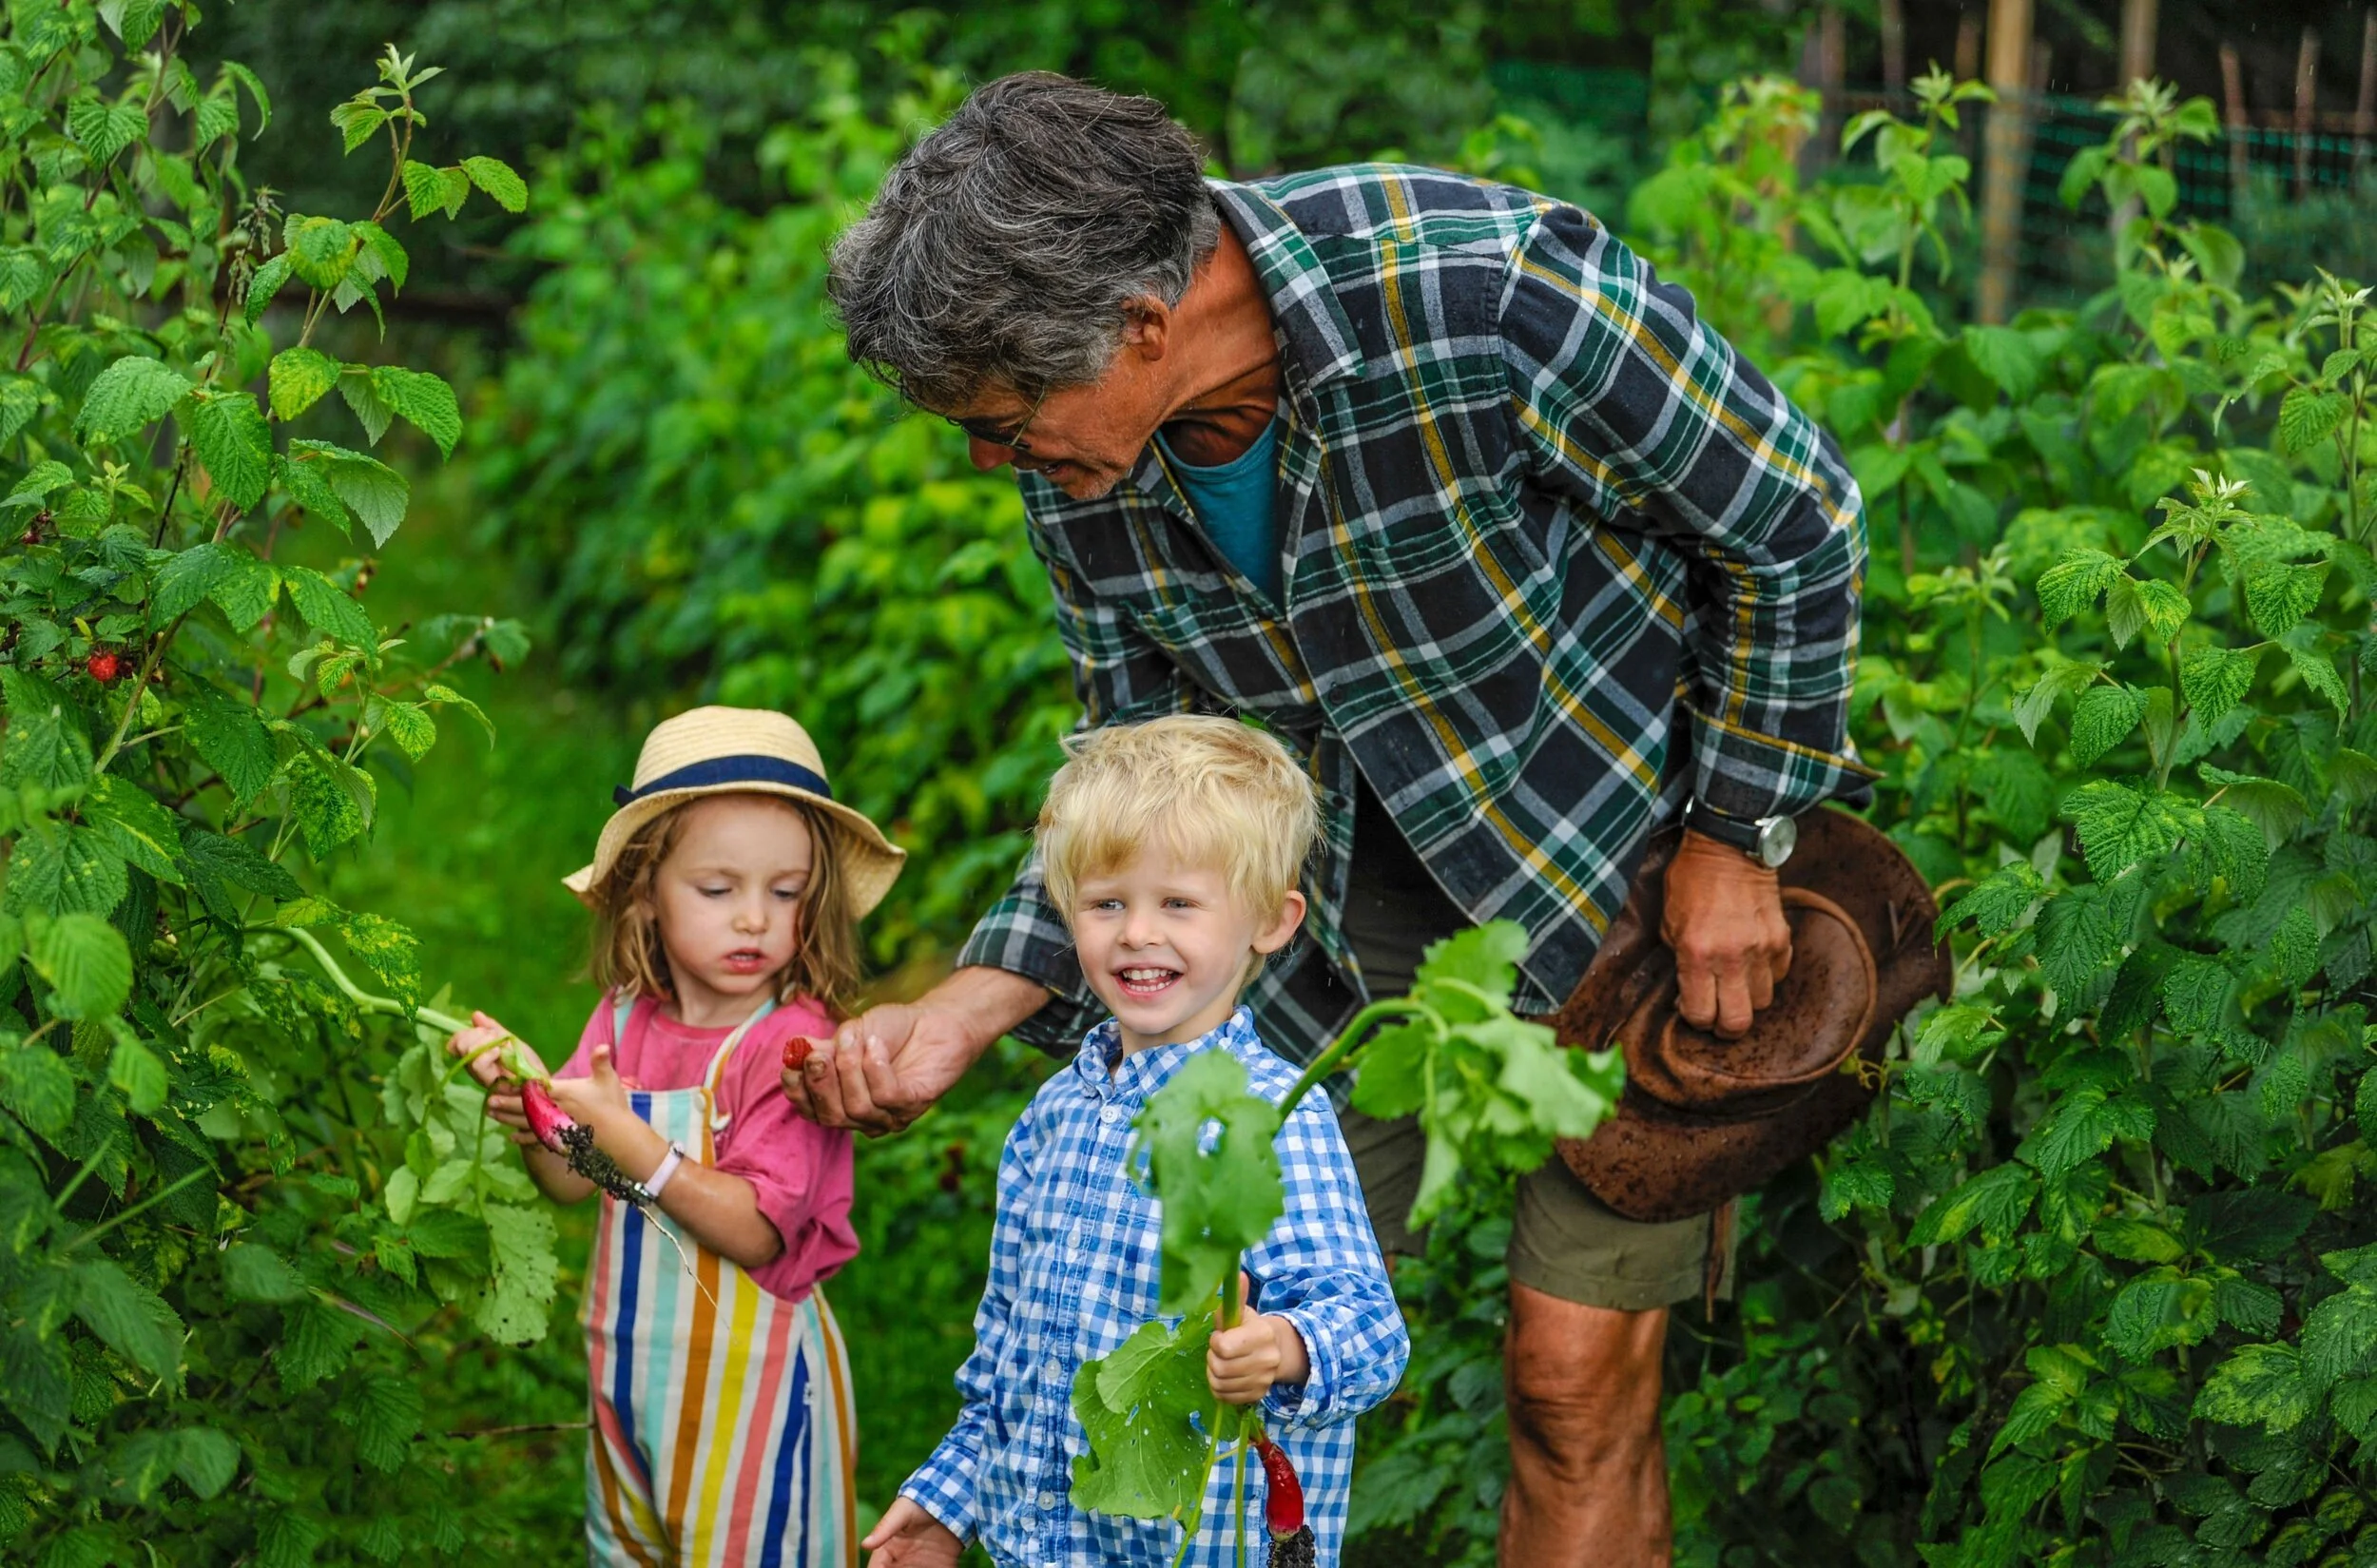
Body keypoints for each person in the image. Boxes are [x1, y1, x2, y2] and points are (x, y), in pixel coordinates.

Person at [802, 73, 1869, 1567]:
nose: (994, 460)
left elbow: (1797, 514)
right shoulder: (1085, 453)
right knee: (1201, 1337)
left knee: (1572, 1388)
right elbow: (1135, 764)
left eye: (1002, 422)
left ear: (1141, 325)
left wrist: (1732, 835)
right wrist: (970, 1011)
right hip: (1314, 931)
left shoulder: (1489, 294)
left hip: (1625, 894)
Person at [861, 716, 1408, 1568]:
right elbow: (1013, 1353)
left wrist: (1285, 1348)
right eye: (1107, 902)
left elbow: (1372, 1331)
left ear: (1271, 919)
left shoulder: (1275, 1116)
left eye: (1178, 903)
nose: (1137, 933)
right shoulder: (1053, 1117)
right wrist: (947, 1500)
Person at [450, 706, 907, 1568]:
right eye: (718, 888)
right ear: (645, 891)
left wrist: (627, 1139)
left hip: (751, 1387)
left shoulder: (792, 1044)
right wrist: (537, 1121)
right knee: (627, 1547)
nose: (753, 919)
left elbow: (755, 1227)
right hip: (629, 1368)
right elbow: (576, 1182)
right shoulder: (625, 1016)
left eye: (786, 891)